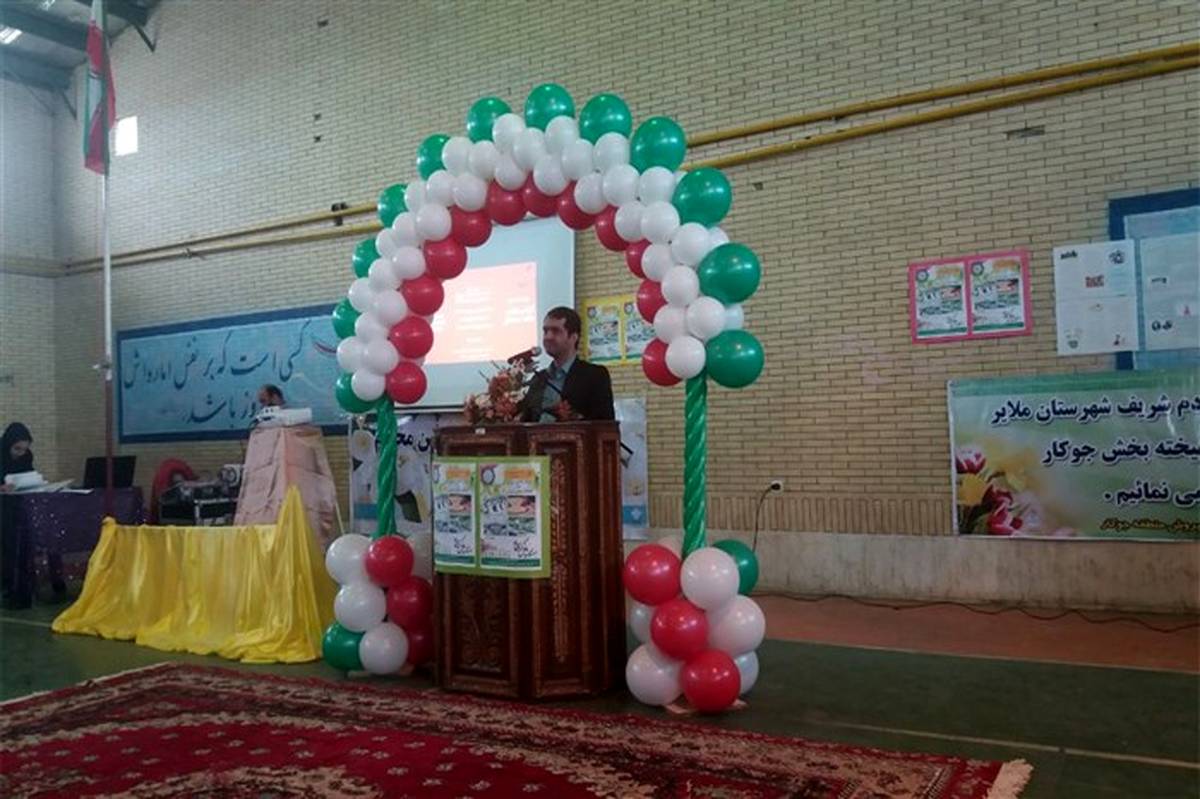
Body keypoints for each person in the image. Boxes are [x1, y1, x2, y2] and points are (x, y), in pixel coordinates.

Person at [519, 307, 615, 423]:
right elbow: (526, 421)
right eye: (545, 331)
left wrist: (572, 418)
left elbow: (604, 423)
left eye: (556, 331)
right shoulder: (538, 379)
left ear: (574, 337)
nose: (548, 337)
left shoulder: (594, 376)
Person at [1, 423, 36, 608]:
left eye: (24, 449)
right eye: (17, 449)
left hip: (16, 503)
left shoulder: (26, 456)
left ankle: (17, 584)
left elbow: (28, 475)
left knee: (18, 541)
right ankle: (8, 583)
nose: (21, 453)